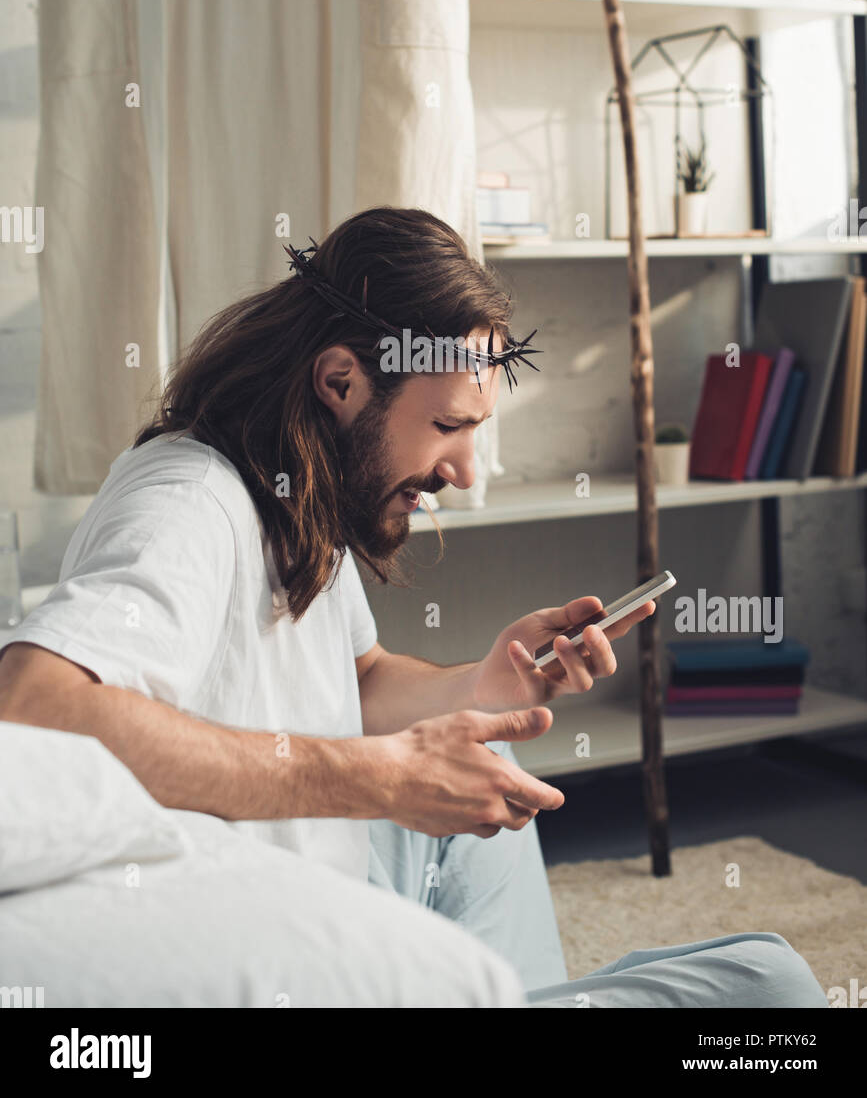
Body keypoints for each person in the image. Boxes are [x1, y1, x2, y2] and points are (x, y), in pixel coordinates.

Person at [0, 206, 828, 1008]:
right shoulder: (189, 501)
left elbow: (353, 681)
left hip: (313, 868)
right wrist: (376, 779)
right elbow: (33, 709)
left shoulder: (292, 491)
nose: (464, 472)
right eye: (445, 425)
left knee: (488, 777)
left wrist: (485, 681)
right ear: (339, 380)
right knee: (772, 986)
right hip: (263, 930)